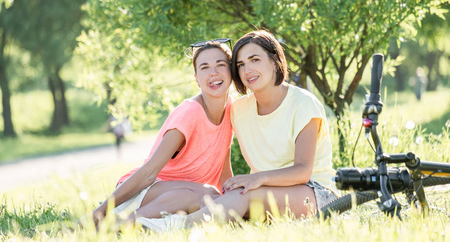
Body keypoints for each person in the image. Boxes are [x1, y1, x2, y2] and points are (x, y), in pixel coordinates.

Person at [138, 30, 339, 230]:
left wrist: (256, 178)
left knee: (245, 196)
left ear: (275, 60)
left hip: (314, 193)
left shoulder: (303, 104)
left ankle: (171, 227)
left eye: (255, 60)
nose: (247, 70)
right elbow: (223, 161)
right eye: (241, 64)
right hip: (265, 191)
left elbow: (303, 172)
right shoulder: (239, 109)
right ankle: (138, 221)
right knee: (225, 198)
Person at [91, 39, 234, 228]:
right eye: (205, 67)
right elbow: (149, 172)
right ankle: (122, 223)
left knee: (215, 198)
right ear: (197, 79)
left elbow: (224, 174)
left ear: (232, 71)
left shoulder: (231, 110)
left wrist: (235, 200)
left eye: (220, 65)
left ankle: (144, 224)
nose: (213, 72)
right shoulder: (190, 113)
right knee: (208, 195)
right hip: (143, 192)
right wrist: (99, 211)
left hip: (188, 195)